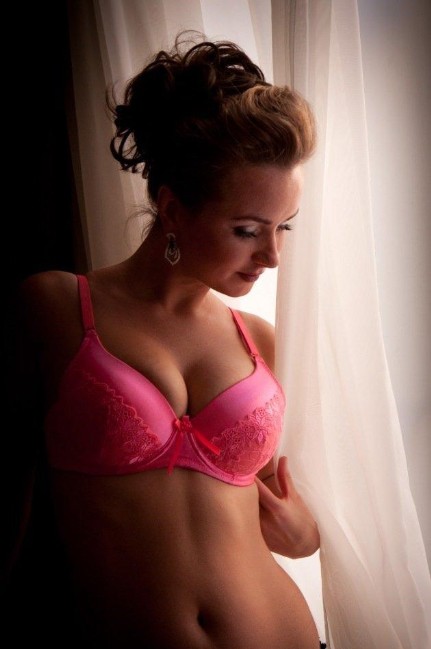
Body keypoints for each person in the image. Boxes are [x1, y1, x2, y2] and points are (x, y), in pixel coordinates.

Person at [5, 31, 325, 648]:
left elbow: (274, 516)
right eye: (247, 230)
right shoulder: (56, 310)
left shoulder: (260, 341)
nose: (272, 255)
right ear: (173, 209)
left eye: (283, 227)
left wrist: (305, 534)